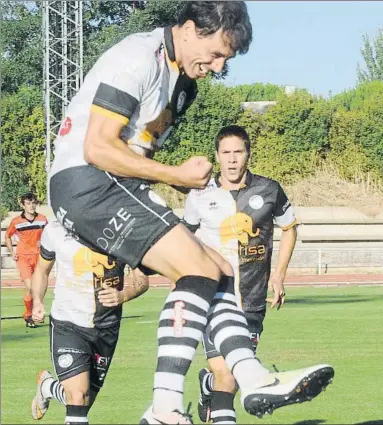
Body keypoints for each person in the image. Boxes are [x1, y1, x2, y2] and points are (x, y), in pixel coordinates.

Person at [47, 2, 333, 423]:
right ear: (188, 28)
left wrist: (177, 180)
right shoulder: (136, 57)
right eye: (215, 54)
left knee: (219, 268)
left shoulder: (184, 87)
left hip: (112, 186)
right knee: (198, 270)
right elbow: (98, 147)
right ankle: (166, 405)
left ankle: (250, 376)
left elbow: (133, 153)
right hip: (84, 181)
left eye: (226, 61)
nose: (217, 67)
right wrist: (170, 172)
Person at [183, 125, 303, 424]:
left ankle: (206, 385)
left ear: (248, 154)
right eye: (226, 153)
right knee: (226, 372)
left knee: (232, 375)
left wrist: (278, 276)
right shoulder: (199, 194)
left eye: (238, 152)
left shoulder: (269, 190)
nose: (232, 159)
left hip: (252, 298)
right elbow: (185, 240)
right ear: (217, 156)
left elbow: (290, 229)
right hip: (214, 296)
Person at [30, 220, 149, 425]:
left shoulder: (123, 228)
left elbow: (141, 278)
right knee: (77, 397)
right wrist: (38, 301)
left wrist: (123, 295)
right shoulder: (56, 229)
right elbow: (42, 270)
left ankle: (48, 387)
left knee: (83, 401)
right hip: (68, 323)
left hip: (106, 327)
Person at [5, 192, 48, 328]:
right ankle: (34, 312)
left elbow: (49, 235)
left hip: (39, 257)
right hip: (23, 257)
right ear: (23, 205)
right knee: (30, 286)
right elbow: (7, 236)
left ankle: (29, 314)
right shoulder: (16, 222)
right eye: (28, 203)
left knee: (37, 288)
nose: (31, 206)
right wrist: (12, 252)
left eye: (33, 203)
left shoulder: (42, 219)